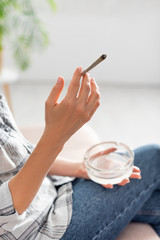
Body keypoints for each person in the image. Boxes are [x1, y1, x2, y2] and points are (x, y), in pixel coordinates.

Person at [0, 67, 159, 240]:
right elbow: (6, 214)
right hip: (40, 230)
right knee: (153, 158)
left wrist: (79, 168)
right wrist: (55, 136)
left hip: (48, 196)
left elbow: (14, 154)